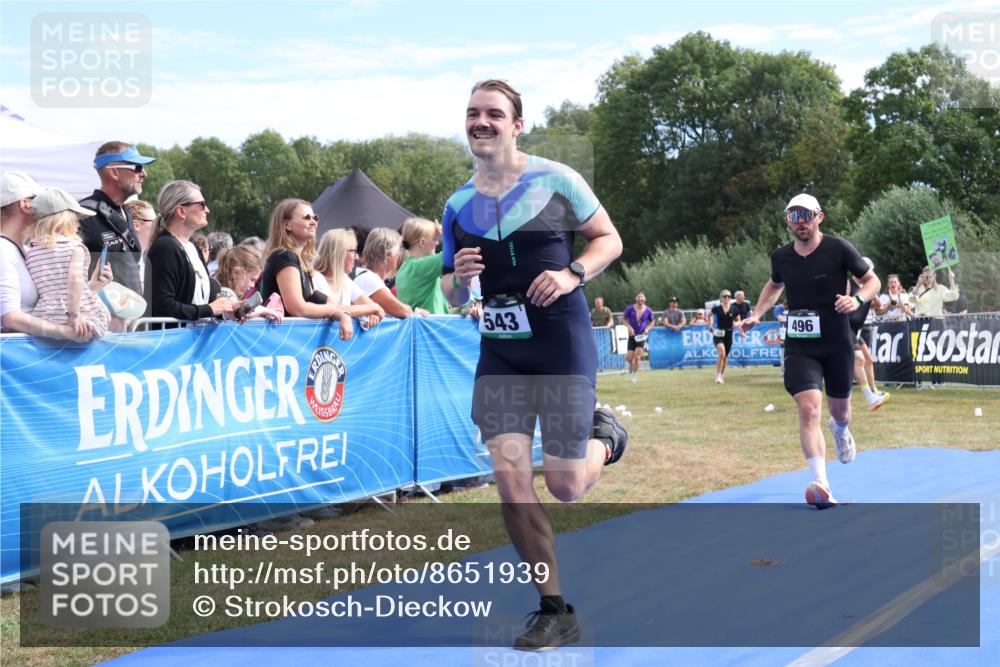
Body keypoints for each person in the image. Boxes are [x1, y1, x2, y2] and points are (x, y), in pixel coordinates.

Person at [439, 79, 627, 651]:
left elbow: (609, 239)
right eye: (473, 112)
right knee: (511, 480)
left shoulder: (557, 180)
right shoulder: (456, 205)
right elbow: (449, 291)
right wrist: (459, 279)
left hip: (559, 340)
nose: (481, 121)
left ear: (517, 125)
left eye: (494, 113)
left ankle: (606, 436)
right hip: (501, 351)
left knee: (565, 486)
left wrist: (573, 273)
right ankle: (553, 609)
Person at [739, 193, 880, 510]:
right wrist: (757, 314)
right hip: (800, 345)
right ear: (788, 221)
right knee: (808, 408)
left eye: (806, 215)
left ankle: (840, 431)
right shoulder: (781, 257)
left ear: (819, 217)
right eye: (793, 216)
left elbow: (872, 281)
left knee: (840, 412)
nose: (800, 221)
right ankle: (821, 484)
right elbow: (774, 285)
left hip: (837, 342)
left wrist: (856, 299)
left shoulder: (839, 249)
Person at [2, 172, 105, 340]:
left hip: (33, 349)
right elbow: (10, 318)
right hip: (18, 351)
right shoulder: (4, 250)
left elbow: (55, 295)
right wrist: (69, 332)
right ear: (25, 205)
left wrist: (91, 287)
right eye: (39, 200)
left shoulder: (29, 251)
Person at [259, 199, 353, 340]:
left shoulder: (297, 259)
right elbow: (297, 308)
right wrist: (332, 310)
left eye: (315, 217)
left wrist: (342, 314)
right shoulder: (285, 257)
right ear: (287, 225)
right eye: (306, 217)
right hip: (281, 340)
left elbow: (314, 299)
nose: (313, 222)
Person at [24, 188, 112, 339]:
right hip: (75, 311)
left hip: (44, 314)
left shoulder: (31, 252)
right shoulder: (75, 249)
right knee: (106, 320)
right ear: (62, 221)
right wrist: (74, 315)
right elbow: (75, 280)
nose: (78, 226)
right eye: (75, 219)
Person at [145, 181, 233, 321]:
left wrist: (230, 310)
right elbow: (163, 306)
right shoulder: (165, 247)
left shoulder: (193, 247)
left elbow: (204, 302)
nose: (207, 210)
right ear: (181, 211)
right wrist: (209, 309)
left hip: (195, 333)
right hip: (175, 334)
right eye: (202, 204)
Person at [79, 142, 155, 297]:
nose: (144, 174)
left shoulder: (125, 212)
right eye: (137, 167)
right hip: (99, 311)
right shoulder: (84, 214)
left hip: (131, 310)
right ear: (114, 173)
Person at [313, 228, 384, 328]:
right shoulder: (315, 277)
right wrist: (371, 309)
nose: (357, 257)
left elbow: (374, 308)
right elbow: (332, 310)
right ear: (339, 253)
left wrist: (373, 313)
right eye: (354, 251)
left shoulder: (345, 279)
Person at [353, 227, 429, 318]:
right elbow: (403, 311)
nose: (399, 255)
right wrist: (415, 312)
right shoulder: (368, 278)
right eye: (398, 251)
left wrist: (414, 312)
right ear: (388, 255)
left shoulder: (369, 278)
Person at [848, 258, 890, 412]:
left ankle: (874, 390)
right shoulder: (848, 284)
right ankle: (869, 397)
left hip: (855, 330)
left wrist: (882, 305)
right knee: (858, 359)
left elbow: (880, 311)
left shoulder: (870, 289)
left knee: (868, 360)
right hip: (844, 327)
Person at [395, 217, 451, 314]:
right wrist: (448, 232)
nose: (437, 242)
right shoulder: (419, 267)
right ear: (422, 243)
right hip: (432, 323)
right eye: (434, 239)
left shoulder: (403, 269)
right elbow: (453, 254)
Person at [213, 245, 283, 322]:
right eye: (252, 279)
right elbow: (240, 312)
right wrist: (267, 310)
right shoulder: (226, 292)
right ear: (237, 273)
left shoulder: (220, 288)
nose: (253, 285)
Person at [709, 290, 741, 384]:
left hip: (729, 334)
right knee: (722, 353)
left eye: (728, 296)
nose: (727, 298)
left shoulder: (734, 309)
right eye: (724, 296)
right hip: (718, 334)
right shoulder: (717, 308)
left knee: (725, 356)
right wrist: (710, 325)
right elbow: (709, 315)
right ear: (721, 298)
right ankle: (718, 375)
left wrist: (736, 323)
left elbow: (739, 320)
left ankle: (721, 376)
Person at [623, 292, 654, 383]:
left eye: (642, 297)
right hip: (632, 336)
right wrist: (629, 328)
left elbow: (652, 321)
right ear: (636, 298)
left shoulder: (648, 310)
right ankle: (632, 365)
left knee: (637, 357)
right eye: (638, 297)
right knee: (629, 358)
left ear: (645, 299)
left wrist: (647, 329)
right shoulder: (630, 308)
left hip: (642, 336)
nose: (640, 299)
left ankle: (634, 376)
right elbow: (623, 319)